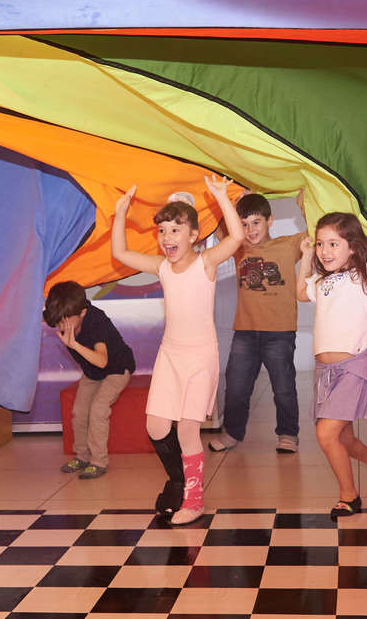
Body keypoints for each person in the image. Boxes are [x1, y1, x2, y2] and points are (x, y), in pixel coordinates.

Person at [112, 176, 242, 525]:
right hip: (170, 356)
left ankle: (194, 500)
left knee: (187, 430)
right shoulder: (162, 267)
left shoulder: (207, 263)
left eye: (175, 230)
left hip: (201, 357)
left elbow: (237, 237)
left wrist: (220, 198)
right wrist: (120, 214)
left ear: (194, 235)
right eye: (163, 231)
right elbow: (120, 253)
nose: (167, 237)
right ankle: (183, 477)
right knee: (156, 427)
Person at [297, 212, 367, 519]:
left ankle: (350, 496)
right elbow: (299, 293)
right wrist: (306, 256)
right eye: (320, 244)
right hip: (325, 373)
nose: (325, 250)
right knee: (342, 437)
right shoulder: (322, 281)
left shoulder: (366, 273)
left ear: (353, 247)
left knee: (326, 434)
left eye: (333, 243)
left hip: (354, 368)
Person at [209, 193, 306, 454]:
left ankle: (288, 434)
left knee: (283, 387)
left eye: (256, 222)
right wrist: (230, 197)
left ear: (270, 221)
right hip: (245, 332)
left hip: (280, 333)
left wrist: (304, 203)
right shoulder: (238, 247)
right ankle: (232, 433)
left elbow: (317, 233)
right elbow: (220, 227)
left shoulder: (287, 246)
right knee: (236, 386)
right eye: (244, 224)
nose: (250, 230)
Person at [44, 280, 135, 480]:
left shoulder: (96, 320)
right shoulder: (63, 320)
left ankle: (98, 461)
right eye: (58, 322)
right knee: (79, 412)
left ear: (83, 312)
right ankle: (83, 456)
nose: (62, 326)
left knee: (98, 409)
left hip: (117, 368)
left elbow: (102, 361)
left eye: (66, 320)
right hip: (92, 372)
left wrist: (74, 344)